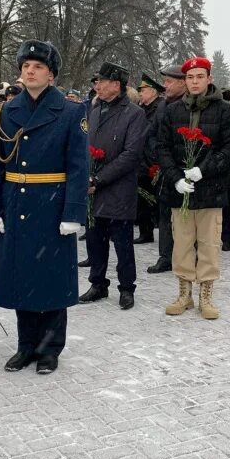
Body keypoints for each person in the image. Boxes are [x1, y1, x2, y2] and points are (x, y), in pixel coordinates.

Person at [0, 40, 87, 374]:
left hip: (51, 206)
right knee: (21, 277)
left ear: (52, 75)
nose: (29, 70)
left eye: (38, 66)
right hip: (16, 204)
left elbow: (79, 167)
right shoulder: (6, 111)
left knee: (51, 280)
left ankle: (50, 349)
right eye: (25, 65)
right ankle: (26, 346)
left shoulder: (70, 112)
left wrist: (73, 212)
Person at [158, 57, 230, 319]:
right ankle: (184, 294)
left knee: (208, 244)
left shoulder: (226, 110)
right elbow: (161, 147)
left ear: (209, 79)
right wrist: (175, 179)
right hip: (180, 190)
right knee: (181, 244)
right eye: (190, 77)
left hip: (211, 189)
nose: (194, 82)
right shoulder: (171, 110)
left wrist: (204, 170)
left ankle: (206, 295)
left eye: (199, 77)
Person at [79, 62, 148, 310]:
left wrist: (99, 179)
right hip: (92, 191)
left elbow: (131, 155)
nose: (97, 85)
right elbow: (84, 147)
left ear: (116, 85)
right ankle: (98, 283)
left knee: (122, 245)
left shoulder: (134, 114)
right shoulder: (94, 110)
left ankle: (126, 288)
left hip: (117, 190)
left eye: (102, 81)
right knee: (95, 241)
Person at [146, 64, 187, 274]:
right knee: (165, 214)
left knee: (185, 217)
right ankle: (166, 256)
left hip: (184, 170)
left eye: (169, 81)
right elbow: (151, 134)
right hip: (164, 169)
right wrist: (157, 154)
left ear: (182, 82)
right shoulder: (162, 106)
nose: (165, 85)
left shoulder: (189, 105)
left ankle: (186, 255)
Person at [134, 72, 165, 244]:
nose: (140, 93)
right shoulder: (143, 108)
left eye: (143, 90)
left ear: (153, 92)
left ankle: (157, 233)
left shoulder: (160, 108)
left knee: (155, 200)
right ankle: (146, 232)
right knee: (143, 199)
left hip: (153, 162)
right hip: (142, 161)